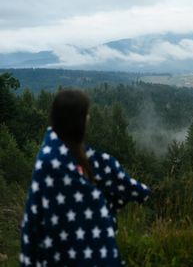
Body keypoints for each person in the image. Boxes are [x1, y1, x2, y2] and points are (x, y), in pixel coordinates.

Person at [20, 89, 150, 266]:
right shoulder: (50, 165)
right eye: (86, 114)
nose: (89, 118)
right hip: (62, 256)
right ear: (77, 120)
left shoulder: (80, 158)